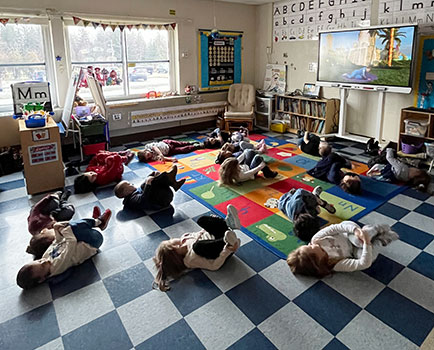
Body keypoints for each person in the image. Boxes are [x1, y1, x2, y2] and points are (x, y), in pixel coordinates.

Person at [17, 208, 112, 289]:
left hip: (81, 239)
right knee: (71, 228)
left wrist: (57, 230)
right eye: (42, 266)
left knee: (61, 226)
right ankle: (98, 222)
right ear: (42, 278)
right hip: (92, 242)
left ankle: (93, 222)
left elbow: (56, 242)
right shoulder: (57, 266)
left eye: (39, 261)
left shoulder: (45, 258)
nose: (44, 261)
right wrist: (66, 231)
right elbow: (71, 243)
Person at [153, 205, 241, 291]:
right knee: (197, 247)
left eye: (170, 240)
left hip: (219, 235)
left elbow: (201, 233)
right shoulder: (190, 260)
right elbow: (214, 266)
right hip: (223, 249)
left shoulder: (184, 238)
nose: (172, 240)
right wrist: (227, 250)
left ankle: (229, 224)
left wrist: (212, 223)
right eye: (172, 244)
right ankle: (230, 242)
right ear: (176, 254)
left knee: (201, 221)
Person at [286, 220, 398, 278]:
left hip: (348, 233)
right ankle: (378, 241)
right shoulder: (334, 264)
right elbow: (363, 264)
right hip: (354, 251)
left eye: (308, 245)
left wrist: (355, 231)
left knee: (357, 241)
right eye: (311, 247)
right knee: (369, 256)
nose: (311, 244)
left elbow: (336, 227)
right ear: (317, 260)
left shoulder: (316, 239)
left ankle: (376, 229)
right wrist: (367, 244)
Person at [114, 165, 185, 211]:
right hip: (161, 202)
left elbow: (142, 187)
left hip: (160, 198)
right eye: (129, 184)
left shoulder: (132, 194)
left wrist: (151, 175)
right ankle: (173, 182)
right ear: (126, 191)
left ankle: (172, 182)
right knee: (152, 183)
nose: (132, 184)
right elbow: (144, 198)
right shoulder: (132, 200)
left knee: (148, 182)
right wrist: (148, 184)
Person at [137, 139, 203, 163]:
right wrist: (171, 159)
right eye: (148, 158)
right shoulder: (153, 158)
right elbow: (162, 158)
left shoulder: (147, 147)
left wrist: (160, 154)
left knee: (180, 143)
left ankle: (190, 143)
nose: (150, 156)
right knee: (182, 150)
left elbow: (154, 147)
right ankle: (195, 146)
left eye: (148, 154)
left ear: (145, 151)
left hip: (167, 143)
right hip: (169, 151)